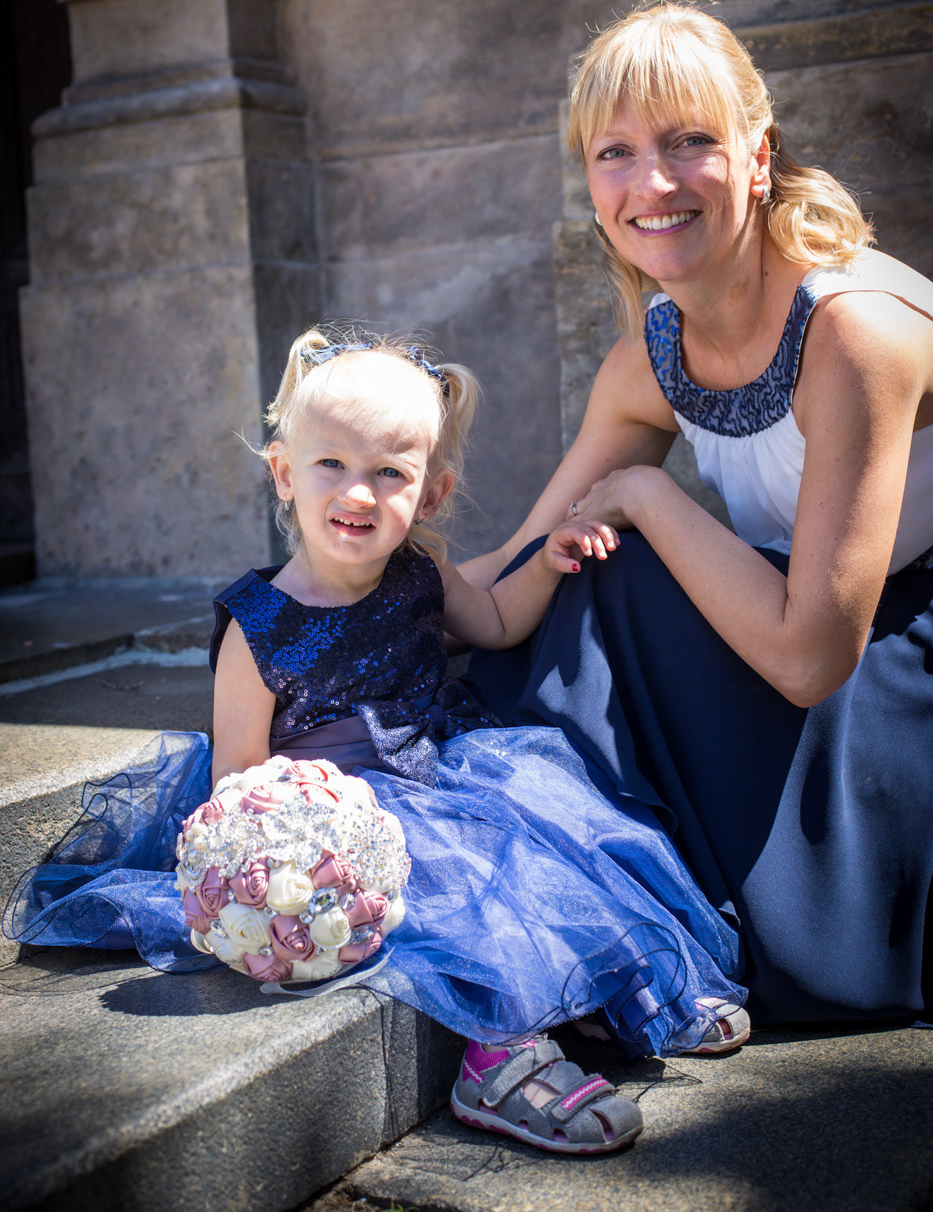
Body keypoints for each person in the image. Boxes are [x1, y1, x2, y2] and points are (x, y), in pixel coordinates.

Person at [6, 325, 750, 1157]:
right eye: (331, 464)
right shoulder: (258, 625)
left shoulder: (421, 573)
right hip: (335, 822)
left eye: (389, 473)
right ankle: (497, 1056)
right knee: (461, 897)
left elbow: (496, 623)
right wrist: (290, 858)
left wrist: (548, 559)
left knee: (556, 846)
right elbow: (236, 778)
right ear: (284, 475)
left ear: (429, 495)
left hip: (449, 769)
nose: (358, 493)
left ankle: (611, 990)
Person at [463, 1, 933, 1029]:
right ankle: (557, 873)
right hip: (807, 632)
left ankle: (630, 909)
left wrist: (645, 493)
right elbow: (519, 563)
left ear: (757, 158)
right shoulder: (655, 354)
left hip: (897, 663)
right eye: (616, 153)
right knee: (574, 578)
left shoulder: (853, 332)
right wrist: (345, 596)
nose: (653, 183)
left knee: (623, 567)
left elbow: (811, 656)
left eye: (689, 143)